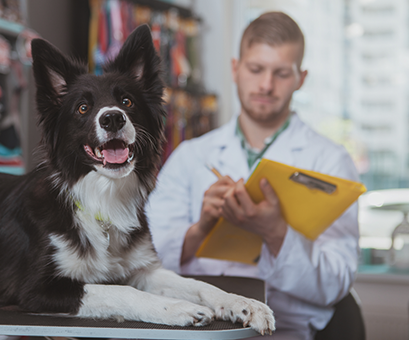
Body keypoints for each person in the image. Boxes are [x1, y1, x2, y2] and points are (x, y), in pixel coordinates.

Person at [146, 11, 360, 340]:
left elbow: (336, 283)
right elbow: (143, 265)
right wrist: (201, 229)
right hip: (195, 331)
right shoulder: (192, 157)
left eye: (281, 73)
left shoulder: (330, 160)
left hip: (286, 332)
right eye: (256, 69)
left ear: (301, 78)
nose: (266, 85)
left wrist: (276, 233)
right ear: (235, 68)